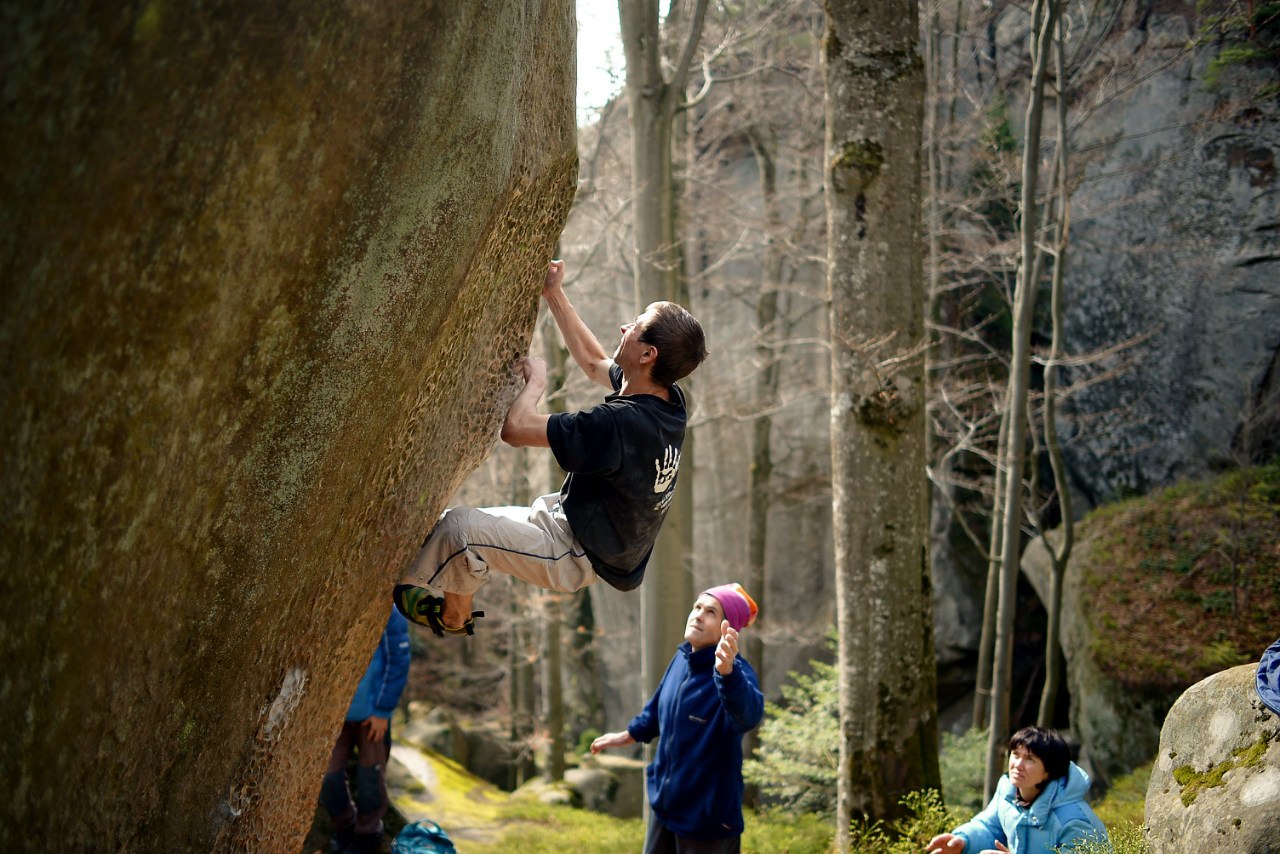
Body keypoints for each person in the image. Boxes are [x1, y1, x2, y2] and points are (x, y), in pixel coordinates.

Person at [393, 259, 707, 636]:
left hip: (576, 553)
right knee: (445, 527)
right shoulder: (668, 396)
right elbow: (593, 363)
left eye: (635, 327)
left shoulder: (618, 426)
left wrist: (535, 383)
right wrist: (554, 294)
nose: (624, 327)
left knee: (459, 529)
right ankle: (457, 595)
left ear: (647, 355)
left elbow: (516, 429)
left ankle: (453, 617)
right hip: (571, 519)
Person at [590, 583, 764, 854]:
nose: (698, 615)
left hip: (707, 823)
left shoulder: (736, 674)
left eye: (711, 612)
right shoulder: (683, 658)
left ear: (727, 628)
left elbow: (749, 715)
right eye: (697, 607)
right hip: (665, 810)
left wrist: (727, 674)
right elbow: (660, 705)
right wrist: (629, 734)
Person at [926, 726, 1110, 854]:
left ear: (1049, 771)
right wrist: (964, 842)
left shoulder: (1073, 821)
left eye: (1030, 759)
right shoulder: (1007, 793)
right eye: (1015, 754)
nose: (1018, 765)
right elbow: (990, 828)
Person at [320, 609, 411, 854]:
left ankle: (369, 834)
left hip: (373, 715)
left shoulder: (389, 610)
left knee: (370, 776)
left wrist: (382, 711)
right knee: (327, 776)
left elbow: (399, 660)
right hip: (334, 715)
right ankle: (345, 828)